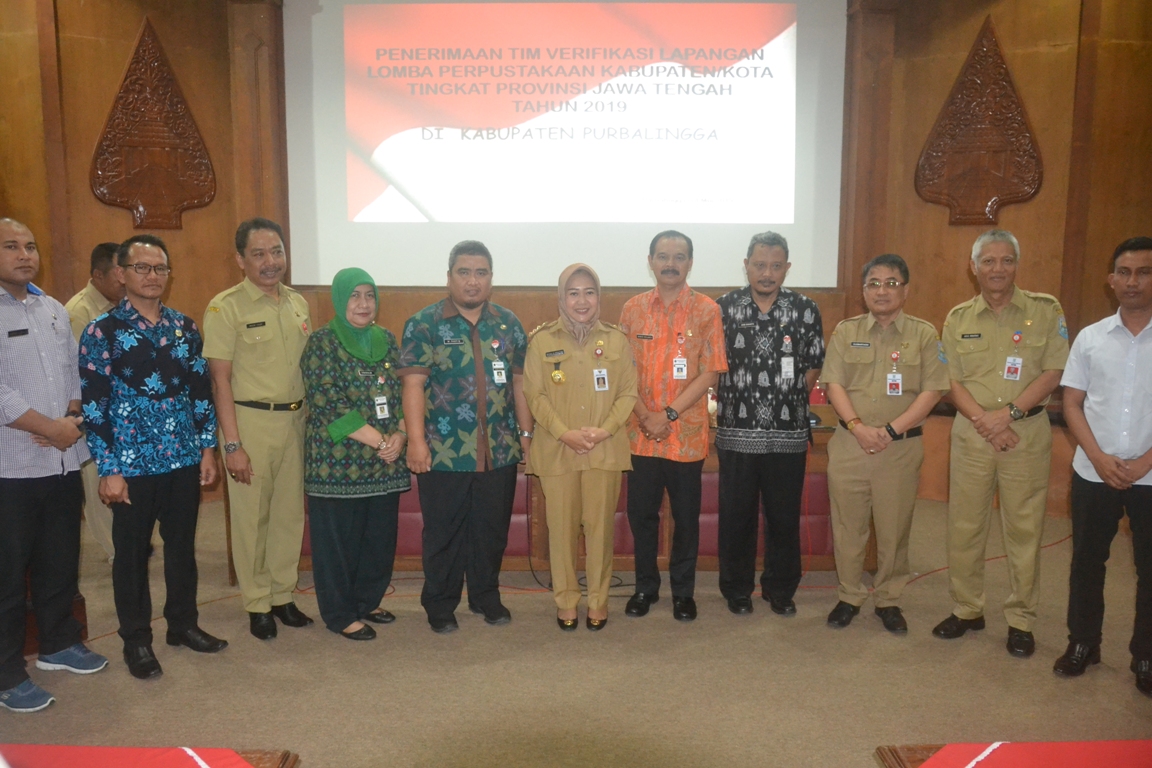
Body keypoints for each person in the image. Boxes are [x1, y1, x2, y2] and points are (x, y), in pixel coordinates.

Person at [79, 234, 226, 680]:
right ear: (121, 274)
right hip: (132, 465)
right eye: (142, 268)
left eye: (160, 268)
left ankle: (183, 625)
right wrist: (109, 468)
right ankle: (137, 641)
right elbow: (94, 405)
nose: (152, 276)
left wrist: (207, 448)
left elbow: (201, 391)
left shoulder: (184, 327)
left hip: (182, 458)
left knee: (183, 549)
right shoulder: (100, 332)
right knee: (131, 555)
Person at [936, 229, 1068, 657]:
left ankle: (1021, 619)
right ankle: (968, 608)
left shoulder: (1045, 310)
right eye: (987, 261)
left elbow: (1053, 371)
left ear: (1016, 264)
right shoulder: (958, 317)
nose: (997, 269)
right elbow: (949, 379)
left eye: (1006, 260)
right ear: (972, 268)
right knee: (965, 526)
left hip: (1025, 432)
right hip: (972, 432)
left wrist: (1007, 415)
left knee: (1024, 529)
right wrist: (985, 420)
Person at [0, 219, 107, 713]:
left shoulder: (51, 309)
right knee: (7, 574)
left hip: (63, 458)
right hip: (11, 466)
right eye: (11, 246)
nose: (25, 254)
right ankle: (5, 673)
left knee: (60, 558)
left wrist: (68, 420)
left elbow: (73, 370)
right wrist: (44, 425)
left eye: (31, 245)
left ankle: (59, 644)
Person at [399, 240, 532, 634]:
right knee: (444, 532)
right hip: (444, 450)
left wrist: (525, 433)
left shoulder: (508, 324)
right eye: (464, 272)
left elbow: (520, 383)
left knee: (491, 529)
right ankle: (440, 603)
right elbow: (412, 386)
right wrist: (417, 442)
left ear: (491, 278)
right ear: (449, 277)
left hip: (500, 448)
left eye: (481, 273)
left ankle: (485, 597)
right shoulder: (424, 323)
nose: (472, 281)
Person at [821, 254, 948, 632]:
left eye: (891, 283)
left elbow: (933, 390)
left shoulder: (924, 334)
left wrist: (891, 430)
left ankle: (889, 599)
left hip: (900, 448)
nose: (882, 290)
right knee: (848, 527)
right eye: (874, 283)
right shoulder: (846, 331)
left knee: (895, 528)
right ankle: (849, 595)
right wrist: (858, 426)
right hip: (849, 444)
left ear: (905, 290)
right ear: (863, 291)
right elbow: (834, 384)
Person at [203, 218, 314, 640]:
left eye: (277, 252)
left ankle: (283, 595)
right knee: (252, 519)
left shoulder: (298, 303)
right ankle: (256, 603)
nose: (271, 262)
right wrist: (232, 444)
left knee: (288, 515)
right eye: (259, 254)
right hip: (249, 422)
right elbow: (220, 381)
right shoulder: (225, 307)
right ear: (240, 260)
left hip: (294, 421)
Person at [1054, 237, 1152, 696]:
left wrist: (1143, 463)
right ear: (1111, 280)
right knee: (1088, 562)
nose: (1133, 281)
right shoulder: (1091, 337)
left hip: (1151, 475)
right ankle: (1083, 643)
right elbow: (1071, 402)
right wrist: (1096, 456)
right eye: (1125, 273)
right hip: (1094, 471)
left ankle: (1146, 655)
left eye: (1144, 272)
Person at [619, 230, 727, 622]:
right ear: (650, 261)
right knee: (642, 518)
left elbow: (711, 373)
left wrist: (666, 415)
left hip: (686, 436)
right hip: (640, 434)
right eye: (662, 256)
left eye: (678, 256)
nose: (670, 263)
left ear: (690, 263)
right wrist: (645, 415)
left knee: (685, 519)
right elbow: (621, 371)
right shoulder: (632, 309)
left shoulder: (706, 310)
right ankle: (645, 588)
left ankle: (684, 592)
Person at [715, 232, 824, 617]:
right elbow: (712, 367)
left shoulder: (806, 309)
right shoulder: (723, 308)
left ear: (787, 268)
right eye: (759, 265)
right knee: (736, 516)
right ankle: (737, 589)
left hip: (788, 434)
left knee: (782, 516)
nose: (767, 273)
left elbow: (813, 364)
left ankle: (780, 589)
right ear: (746, 265)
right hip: (736, 432)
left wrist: (785, 397)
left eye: (776, 266)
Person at [525, 264, 637, 631]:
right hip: (558, 451)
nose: (582, 300)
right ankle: (567, 602)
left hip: (604, 451)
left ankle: (599, 602)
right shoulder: (541, 340)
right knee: (560, 532)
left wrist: (603, 431)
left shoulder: (617, 340)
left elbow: (627, 393)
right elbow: (534, 395)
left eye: (589, 292)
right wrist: (564, 433)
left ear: (599, 298)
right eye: (573, 293)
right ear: (561, 298)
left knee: (600, 531)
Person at [301, 268, 410, 641]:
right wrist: (381, 441)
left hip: (384, 464)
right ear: (339, 299)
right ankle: (339, 613)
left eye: (369, 295)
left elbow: (404, 393)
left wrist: (400, 433)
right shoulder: (322, 342)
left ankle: (367, 600)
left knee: (378, 538)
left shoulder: (389, 341)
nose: (363, 304)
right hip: (337, 466)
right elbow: (328, 403)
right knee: (338, 543)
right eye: (354, 296)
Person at [64, 242, 124, 563]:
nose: (124, 279)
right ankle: (117, 554)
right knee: (99, 487)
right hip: (94, 417)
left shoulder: (123, 304)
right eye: (117, 274)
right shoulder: (78, 312)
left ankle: (127, 546)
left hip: (123, 414)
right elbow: (81, 375)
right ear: (97, 275)